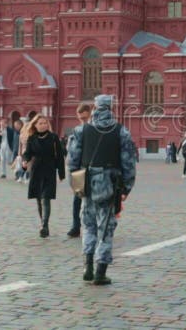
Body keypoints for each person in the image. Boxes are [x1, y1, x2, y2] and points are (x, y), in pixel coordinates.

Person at [68, 95, 136, 285]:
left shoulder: (81, 130)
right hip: (109, 185)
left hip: (87, 184)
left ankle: (87, 265)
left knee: (88, 225)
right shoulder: (121, 131)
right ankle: (100, 271)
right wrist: (127, 187)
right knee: (105, 228)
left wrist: (76, 184)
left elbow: (72, 160)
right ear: (111, 108)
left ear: (95, 107)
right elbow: (129, 162)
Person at [22, 115, 65, 238]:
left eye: (45, 123)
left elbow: (60, 156)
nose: (43, 125)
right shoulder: (32, 138)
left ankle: (44, 225)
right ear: (35, 125)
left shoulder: (53, 137)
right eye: (40, 123)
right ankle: (43, 224)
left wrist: (61, 173)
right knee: (38, 199)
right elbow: (27, 153)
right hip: (36, 171)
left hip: (49, 170)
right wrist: (25, 161)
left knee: (45, 198)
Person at [67, 103, 92, 238]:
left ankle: (81, 226)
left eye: (85, 118)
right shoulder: (78, 130)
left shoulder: (86, 130)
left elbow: (74, 151)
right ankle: (76, 226)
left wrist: (72, 168)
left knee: (85, 199)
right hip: (82, 169)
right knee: (78, 199)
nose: (83, 120)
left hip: (86, 169)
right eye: (81, 118)